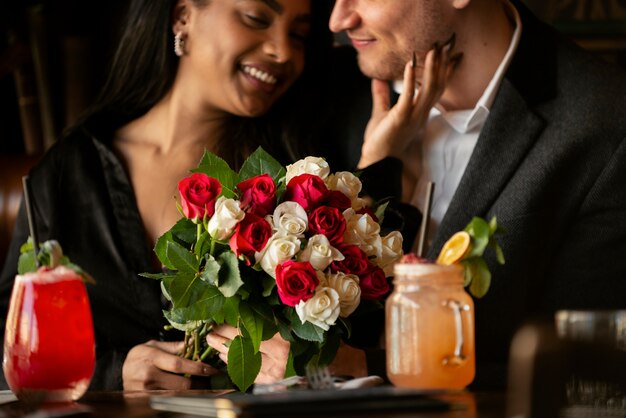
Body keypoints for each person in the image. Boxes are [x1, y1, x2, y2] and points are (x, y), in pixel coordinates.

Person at [0, 0, 339, 391]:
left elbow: (350, 346)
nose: (282, 50)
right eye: (256, 19)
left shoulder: (293, 184)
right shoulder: (69, 171)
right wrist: (113, 374)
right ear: (183, 17)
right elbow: (10, 346)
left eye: (298, 34)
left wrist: (383, 158)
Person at [327, 0, 626, 389]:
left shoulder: (605, 128)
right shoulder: (325, 93)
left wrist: (364, 367)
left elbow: (580, 381)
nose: (339, 19)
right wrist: (373, 173)